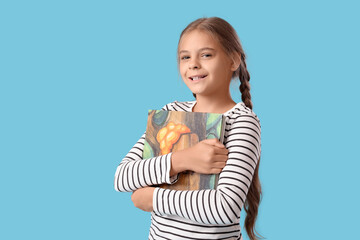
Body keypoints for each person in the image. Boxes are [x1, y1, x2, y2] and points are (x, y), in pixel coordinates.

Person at [114, 16, 263, 240]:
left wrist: (153, 198)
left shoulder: (242, 122)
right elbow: (122, 177)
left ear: (233, 60)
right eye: (185, 57)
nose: (193, 64)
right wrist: (182, 160)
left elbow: (224, 208)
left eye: (206, 55)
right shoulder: (170, 112)